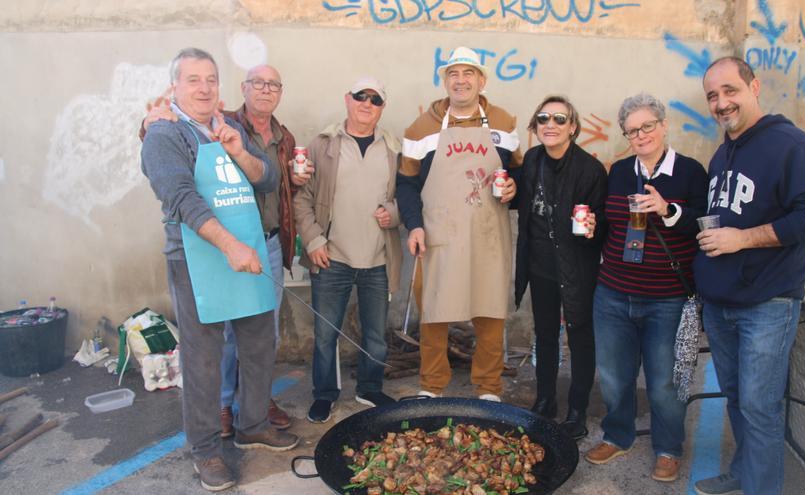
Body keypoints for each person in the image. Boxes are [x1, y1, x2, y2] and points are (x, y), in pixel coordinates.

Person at [140, 48, 299, 492]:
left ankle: (251, 425)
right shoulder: (165, 134)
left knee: (257, 341)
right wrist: (229, 245)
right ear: (174, 87)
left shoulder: (225, 127)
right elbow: (178, 195)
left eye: (210, 79)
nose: (205, 88)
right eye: (193, 80)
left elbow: (267, 178)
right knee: (204, 358)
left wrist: (238, 152)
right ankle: (206, 450)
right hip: (197, 258)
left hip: (244, 252)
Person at [693, 57, 805, 495]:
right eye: (713, 95)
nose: (721, 102)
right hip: (722, 303)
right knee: (737, 400)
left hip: (767, 305)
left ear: (754, 87)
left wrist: (743, 239)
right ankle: (742, 473)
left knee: (760, 408)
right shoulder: (723, 153)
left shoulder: (790, 144)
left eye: (730, 90)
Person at [584, 93, 708, 483]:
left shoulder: (690, 172)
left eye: (647, 127)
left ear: (663, 125)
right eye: (632, 130)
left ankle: (669, 447)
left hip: (666, 298)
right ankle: (618, 435)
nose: (640, 135)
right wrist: (592, 230)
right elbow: (610, 225)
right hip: (613, 292)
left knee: (663, 381)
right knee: (615, 375)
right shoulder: (619, 171)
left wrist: (668, 210)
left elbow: (705, 224)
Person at [397, 46, 521, 401]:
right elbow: (406, 183)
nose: (461, 81)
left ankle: (489, 387)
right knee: (434, 310)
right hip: (438, 233)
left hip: (487, 235)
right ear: (445, 81)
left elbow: (517, 171)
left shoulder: (503, 122)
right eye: (454, 74)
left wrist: (515, 186)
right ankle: (432, 384)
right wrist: (414, 224)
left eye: (469, 73)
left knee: (489, 308)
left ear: (481, 80)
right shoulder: (420, 128)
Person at [294, 77, 402, 423]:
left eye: (375, 99)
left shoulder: (393, 149)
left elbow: (409, 197)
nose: (367, 103)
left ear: (382, 108)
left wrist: (395, 214)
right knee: (326, 333)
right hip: (332, 256)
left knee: (375, 333)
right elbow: (303, 198)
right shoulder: (323, 145)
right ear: (347, 99)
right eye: (361, 96)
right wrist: (313, 240)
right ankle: (324, 393)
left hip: (378, 257)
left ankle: (369, 387)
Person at [512, 95, 607, 439]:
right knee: (546, 334)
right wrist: (507, 186)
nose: (550, 124)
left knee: (581, 336)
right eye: (543, 118)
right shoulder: (534, 159)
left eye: (559, 119)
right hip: (540, 267)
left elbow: (604, 221)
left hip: (577, 267)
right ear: (535, 127)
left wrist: (596, 226)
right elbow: (518, 194)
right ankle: (546, 399)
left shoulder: (590, 169)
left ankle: (577, 409)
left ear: (573, 127)